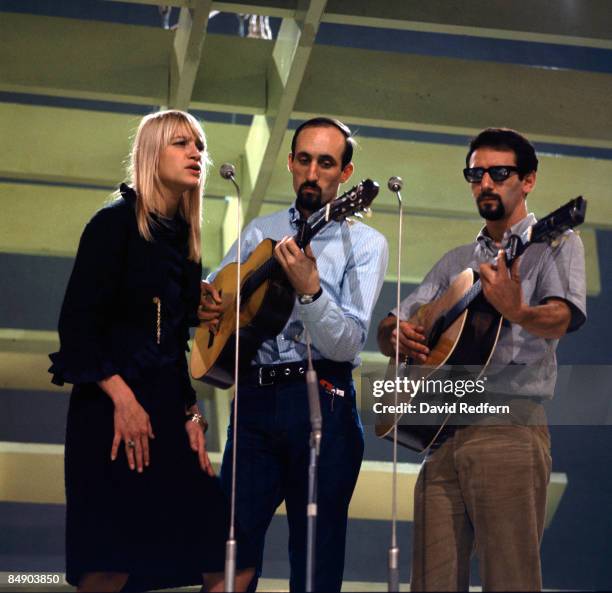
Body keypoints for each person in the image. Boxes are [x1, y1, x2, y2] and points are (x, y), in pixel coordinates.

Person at [49, 110, 255, 592]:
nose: (197, 154)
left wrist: (189, 414)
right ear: (150, 153)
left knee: (232, 562)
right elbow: (76, 329)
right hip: (108, 411)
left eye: (200, 146)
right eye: (181, 144)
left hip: (164, 410)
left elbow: (170, 342)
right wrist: (123, 400)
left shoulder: (184, 239)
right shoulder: (112, 225)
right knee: (109, 566)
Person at [377, 128, 586, 591]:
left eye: (499, 173)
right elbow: (394, 322)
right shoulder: (457, 261)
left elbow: (562, 318)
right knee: (429, 582)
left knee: (509, 577)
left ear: (528, 180)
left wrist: (519, 310)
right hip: (440, 433)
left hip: (508, 424)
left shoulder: (556, 242)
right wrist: (398, 336)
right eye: (476, 174)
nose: (485, 183)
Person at [198, 117, 388, 591]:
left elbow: (347, 344)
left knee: (315, 559)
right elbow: (218, 302)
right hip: (256, 402)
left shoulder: (365, 243)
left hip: (324, 400)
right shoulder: (260, 231)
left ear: (346, 175)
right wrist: (206, 302)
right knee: (227, 548)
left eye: (326, 163)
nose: (312, 172)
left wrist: (311, 292)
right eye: (303, 159)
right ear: (289, 162)